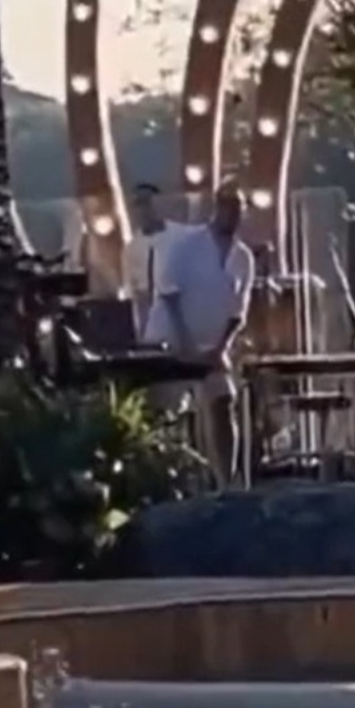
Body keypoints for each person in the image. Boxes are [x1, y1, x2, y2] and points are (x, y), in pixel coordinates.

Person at [146, 182, 255, 486]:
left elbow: (238, 311)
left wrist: (221, 347)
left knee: (223, 401)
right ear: (216, 209)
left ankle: (225, 480)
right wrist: (185, 343)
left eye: (238, 210)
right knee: (168, 412)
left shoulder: (243, 258)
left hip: (212, 344)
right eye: (227, 208)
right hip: (173, 336)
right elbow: (168, 292)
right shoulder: (187, 245)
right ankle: (166, 481)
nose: (232, 216)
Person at [121, 182, 189, 340]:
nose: (143, 210)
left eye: (147, 202)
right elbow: (134, 292)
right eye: (137, 204)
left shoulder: (180, 237)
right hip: (150, 325)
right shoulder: (131, 249)